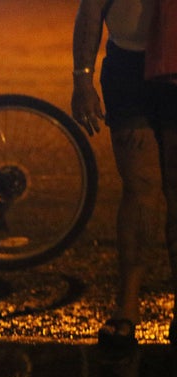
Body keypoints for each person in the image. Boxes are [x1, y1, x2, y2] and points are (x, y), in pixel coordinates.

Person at [71, 0, 177, 348]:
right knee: (140, 188)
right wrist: (82, 78)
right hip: (129, 66)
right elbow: (91, 10)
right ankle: (127, 308)